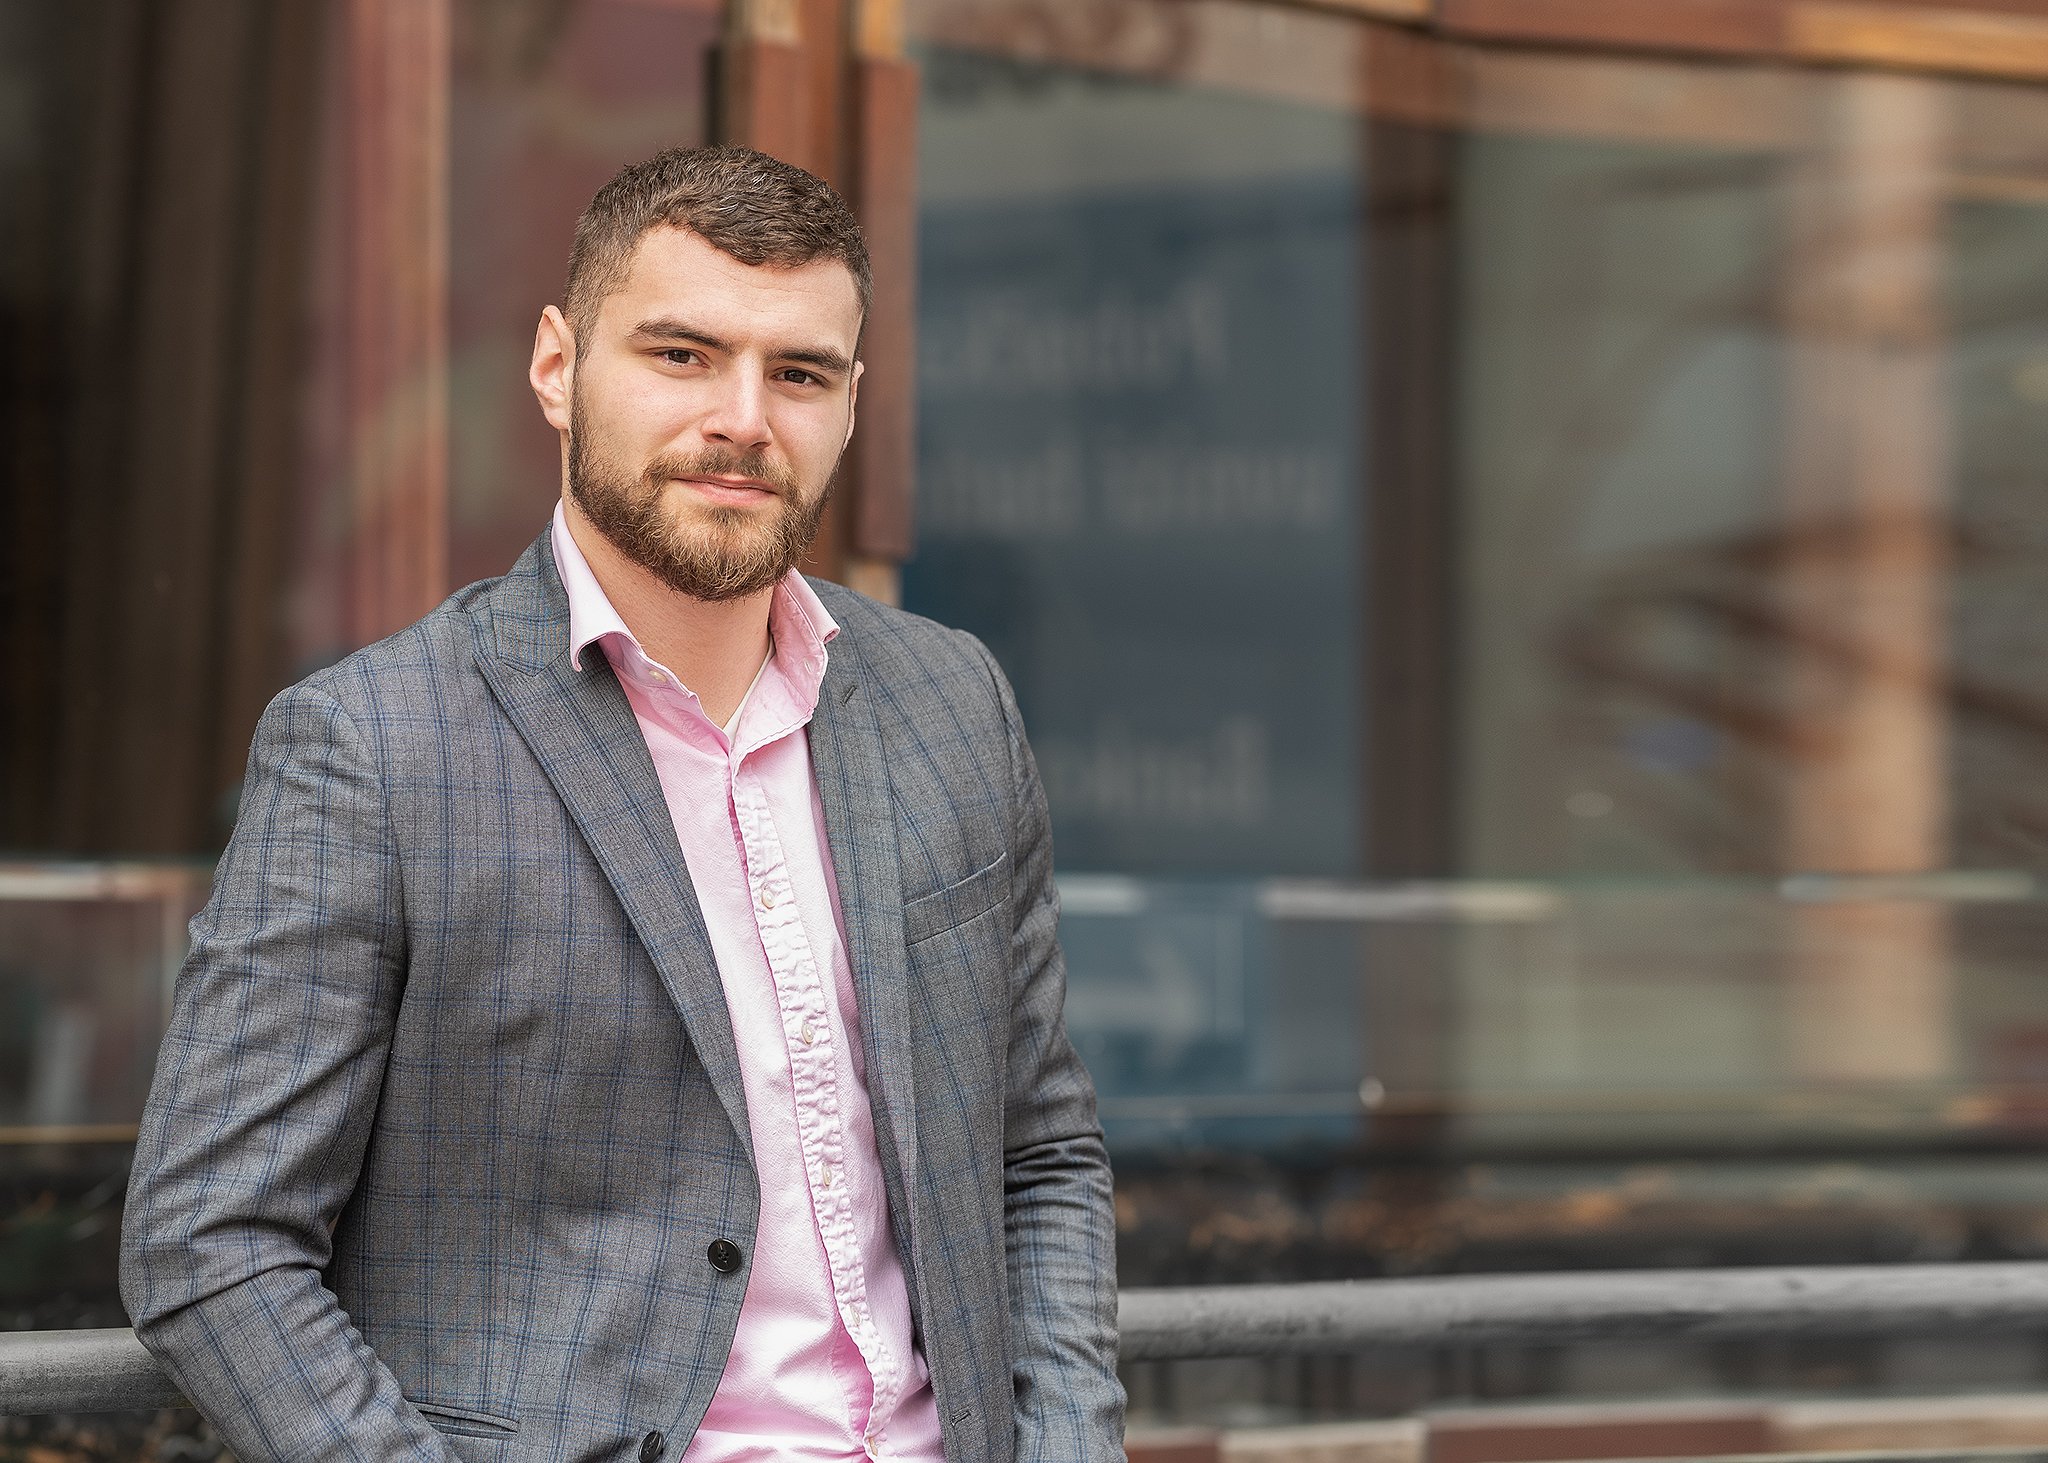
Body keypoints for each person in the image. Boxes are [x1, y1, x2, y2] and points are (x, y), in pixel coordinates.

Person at [120, 145, 1124, 1463]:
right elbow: (210, 1239)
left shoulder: (950, 702)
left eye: (800, 374)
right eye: (682, 356)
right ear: (556, 367)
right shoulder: (373, 746)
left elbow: (1040, 1158)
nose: (745, 418)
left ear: (852, 403)